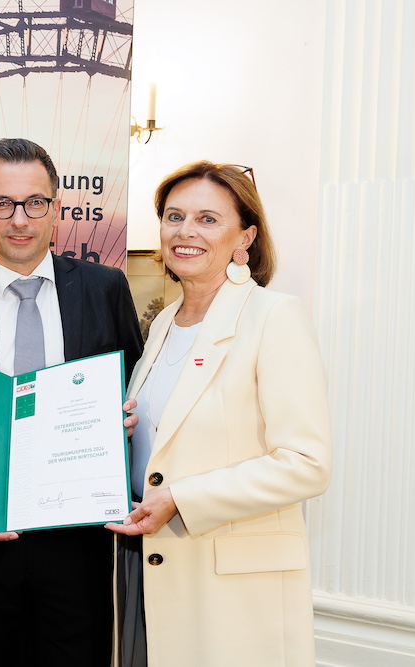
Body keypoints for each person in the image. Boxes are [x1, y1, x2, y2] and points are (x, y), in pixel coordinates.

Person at [0, 138, 144, 667]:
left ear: (56, 209)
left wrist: (126, 420)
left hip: (79, 548)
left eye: (34, 203)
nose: (20, 219)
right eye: (3, 204)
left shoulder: (105, 290)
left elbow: (135, 390)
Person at [107, 161, 334, 666]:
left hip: (230, 593)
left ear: (244, 238)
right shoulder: (165, 321)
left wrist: (181, 498)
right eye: (174, 216)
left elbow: (307, 462)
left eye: (208, 219)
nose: (186, 231)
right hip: (147, 568)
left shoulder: (274, 317)